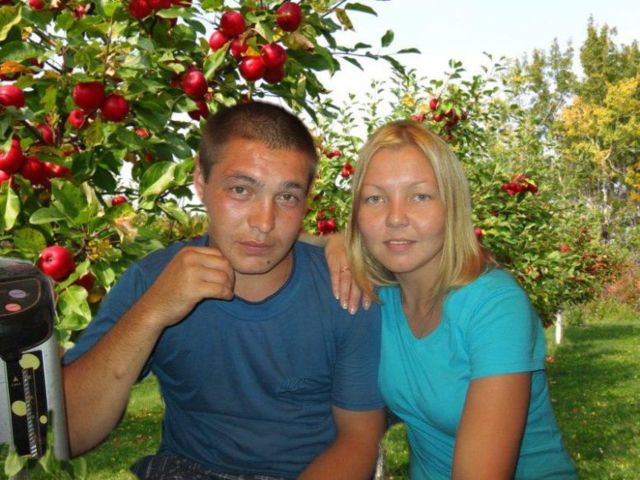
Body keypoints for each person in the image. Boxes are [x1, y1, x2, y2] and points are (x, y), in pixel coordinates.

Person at [62, 101, 386, 480]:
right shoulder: (153, 280)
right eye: (241, 190)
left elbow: (359, 440)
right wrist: (151, 313)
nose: (264, 222)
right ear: (201, 182)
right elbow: (71, 433)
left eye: (287, 197)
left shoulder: (344, 288)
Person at [323, 120, 577, 479]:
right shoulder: (382, 299)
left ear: (452, 206)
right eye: (375, 198)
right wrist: (332, 243)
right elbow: (276, 242)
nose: (395, 218)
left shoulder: (494, 306)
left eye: (420, 196)